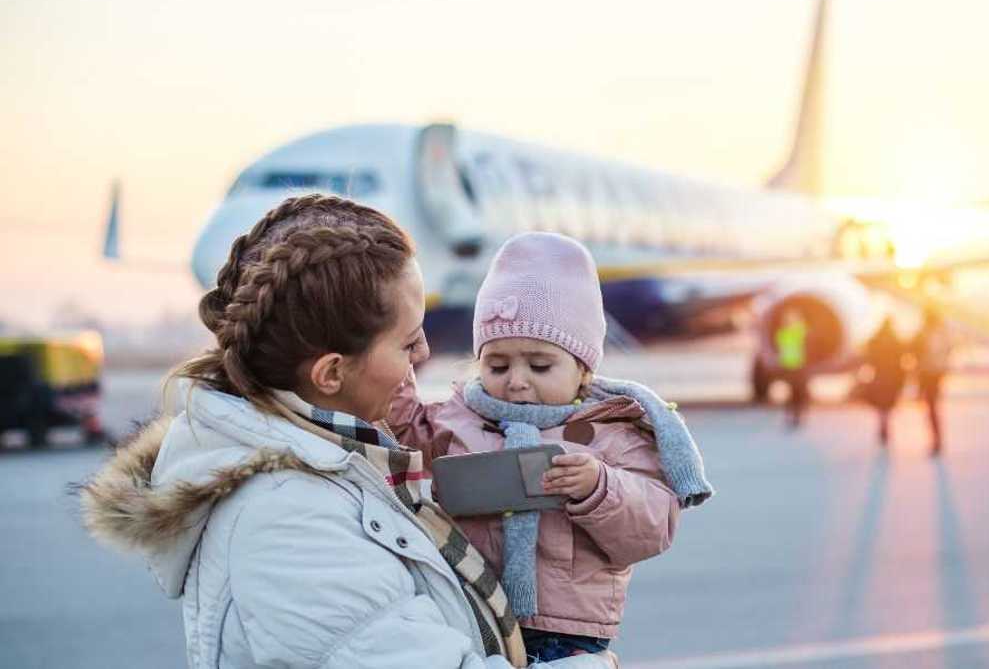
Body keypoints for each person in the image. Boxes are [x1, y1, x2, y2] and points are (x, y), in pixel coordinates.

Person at [78, 195, 609, 668]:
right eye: (407, 342)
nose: (423, 355)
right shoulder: (288, 522)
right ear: (331, 373)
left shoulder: (328, 461)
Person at [386, 232, 713, 664]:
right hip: (475, 611)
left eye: (540, 365)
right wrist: (394, 361)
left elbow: (653, 527)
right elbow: (405, 426)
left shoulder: (611, 430)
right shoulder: (460, 416)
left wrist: (600, 487)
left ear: (582, 371)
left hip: (566, 631)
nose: (517, 380)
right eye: (497, 365)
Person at [911, 308, 953, 457]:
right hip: (937, 372)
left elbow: (916, 350)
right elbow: (948, 350)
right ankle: (937, 439)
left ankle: (936, 440)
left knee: (931, 407)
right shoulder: (943, 332)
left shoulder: (925, 333)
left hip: (928, 373)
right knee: (932, 406)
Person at [860, 317, 905, 447]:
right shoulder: (896, 340)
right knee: (887, 404)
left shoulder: (876, 339)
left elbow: (869, 356)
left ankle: (883, 423)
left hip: (879, 376)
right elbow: (901, 359)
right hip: (892, 377)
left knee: (881, 404)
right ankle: (885, 423)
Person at [773, 308, 811, 426]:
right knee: (797, 393)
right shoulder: (795, 332)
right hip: (794, 367)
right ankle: (795, 415)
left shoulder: (782, 333)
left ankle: (794, 415)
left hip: (792, 366)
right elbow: (806, 332)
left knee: (794, 393)